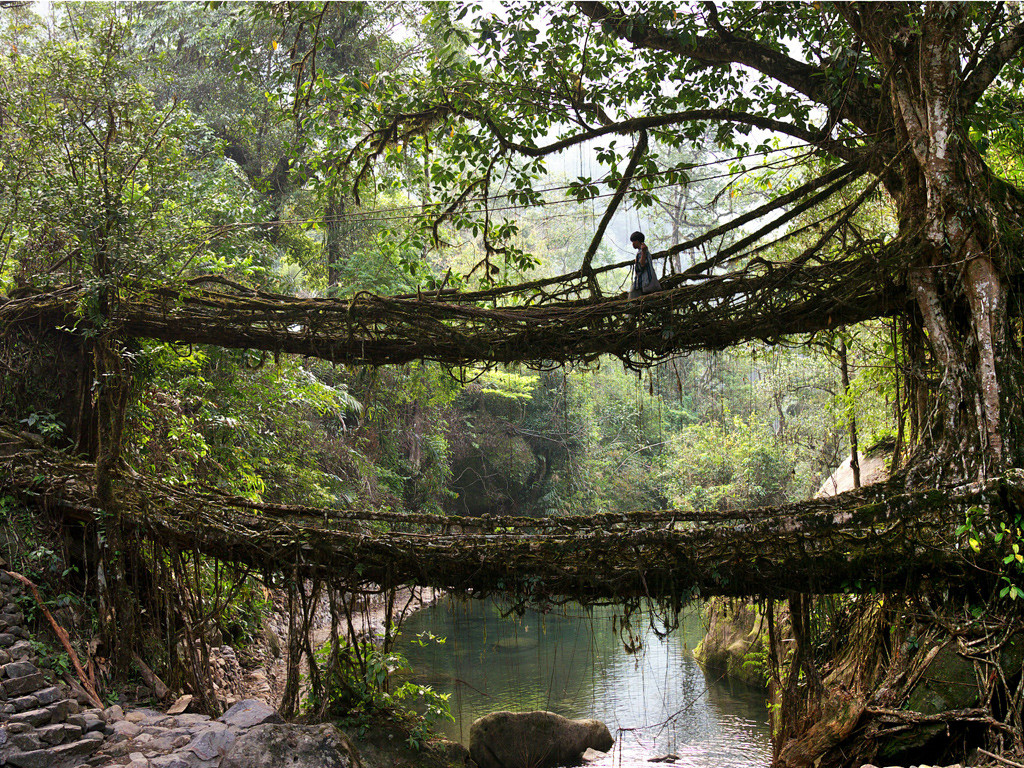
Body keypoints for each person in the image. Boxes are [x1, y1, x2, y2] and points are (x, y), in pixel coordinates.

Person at [628, 231, 660, 298]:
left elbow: (642, 265)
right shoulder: (642, 251)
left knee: (632, 296)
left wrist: (643, 252)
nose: (632, 244)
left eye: (633, 241)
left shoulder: (643, 251)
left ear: (637, 241)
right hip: (644, 282)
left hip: (644, 282)